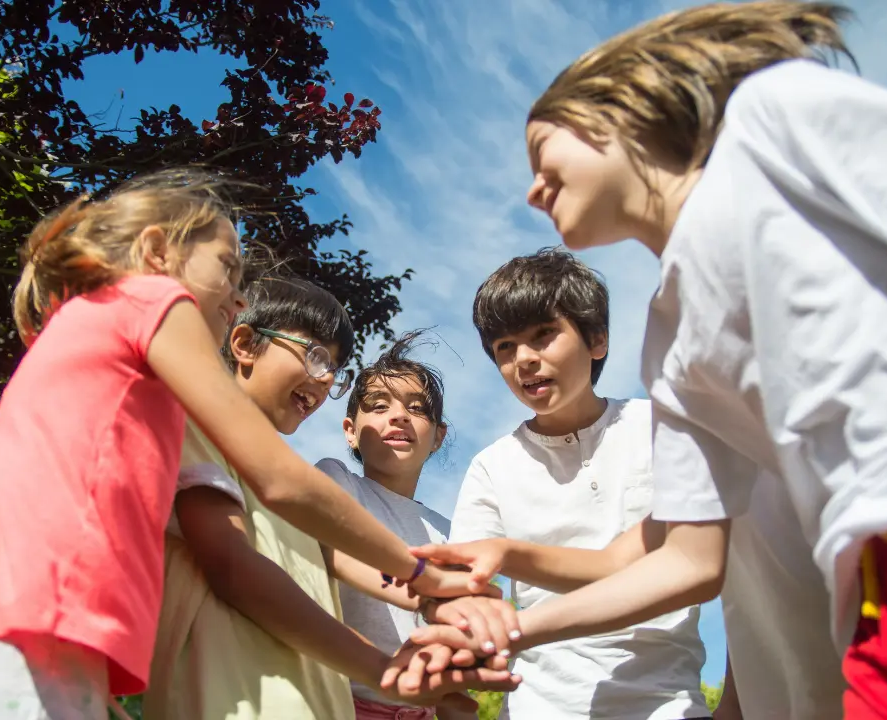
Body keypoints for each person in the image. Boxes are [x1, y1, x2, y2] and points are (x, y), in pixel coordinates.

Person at [406, 3, 887, 718]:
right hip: (882, 595)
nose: (534, 189)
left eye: (543, 155)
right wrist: (511, 631)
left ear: (614, 118)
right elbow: (689, 560)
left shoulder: (768, 120)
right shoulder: (671, 342)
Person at [0, 168, 516, 719]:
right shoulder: (147, 299)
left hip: (2, 653)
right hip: (16, 650)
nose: (234, 299)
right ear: (156, 251)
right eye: (227, 269)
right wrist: (429, 576)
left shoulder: (128, 379)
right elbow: (277, 482)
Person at [146, 280, 515, 720]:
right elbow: (255, 563)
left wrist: (428, 602)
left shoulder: (284, 487)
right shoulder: (299, 476)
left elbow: (333, 560)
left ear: (439, 436)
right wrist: (408, 616)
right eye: (316, 356)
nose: (324, 379)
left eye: (334, 370)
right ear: (350, 430)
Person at [439, 248, 710, 719]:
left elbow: (704, 566)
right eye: (505, 347)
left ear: (597, 339)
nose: (524, 359)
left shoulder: (662, 429)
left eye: (543, 335)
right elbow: (461, 589)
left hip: (669, 705)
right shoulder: (492, 466)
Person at [417, 468, 846, 719]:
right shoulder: (717, 454)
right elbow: (616, 564)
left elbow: (694, 569)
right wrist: (504, 553)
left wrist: (513, 630)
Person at [319, 330, 515, 720]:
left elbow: (452, 667)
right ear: (350, 431)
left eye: (417, 408)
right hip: (339, 703)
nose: (398, 416)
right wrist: (423, 588)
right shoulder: (336, 480)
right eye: (378, 405)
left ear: (438, 437)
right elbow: (331, 551)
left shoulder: (451, 533)